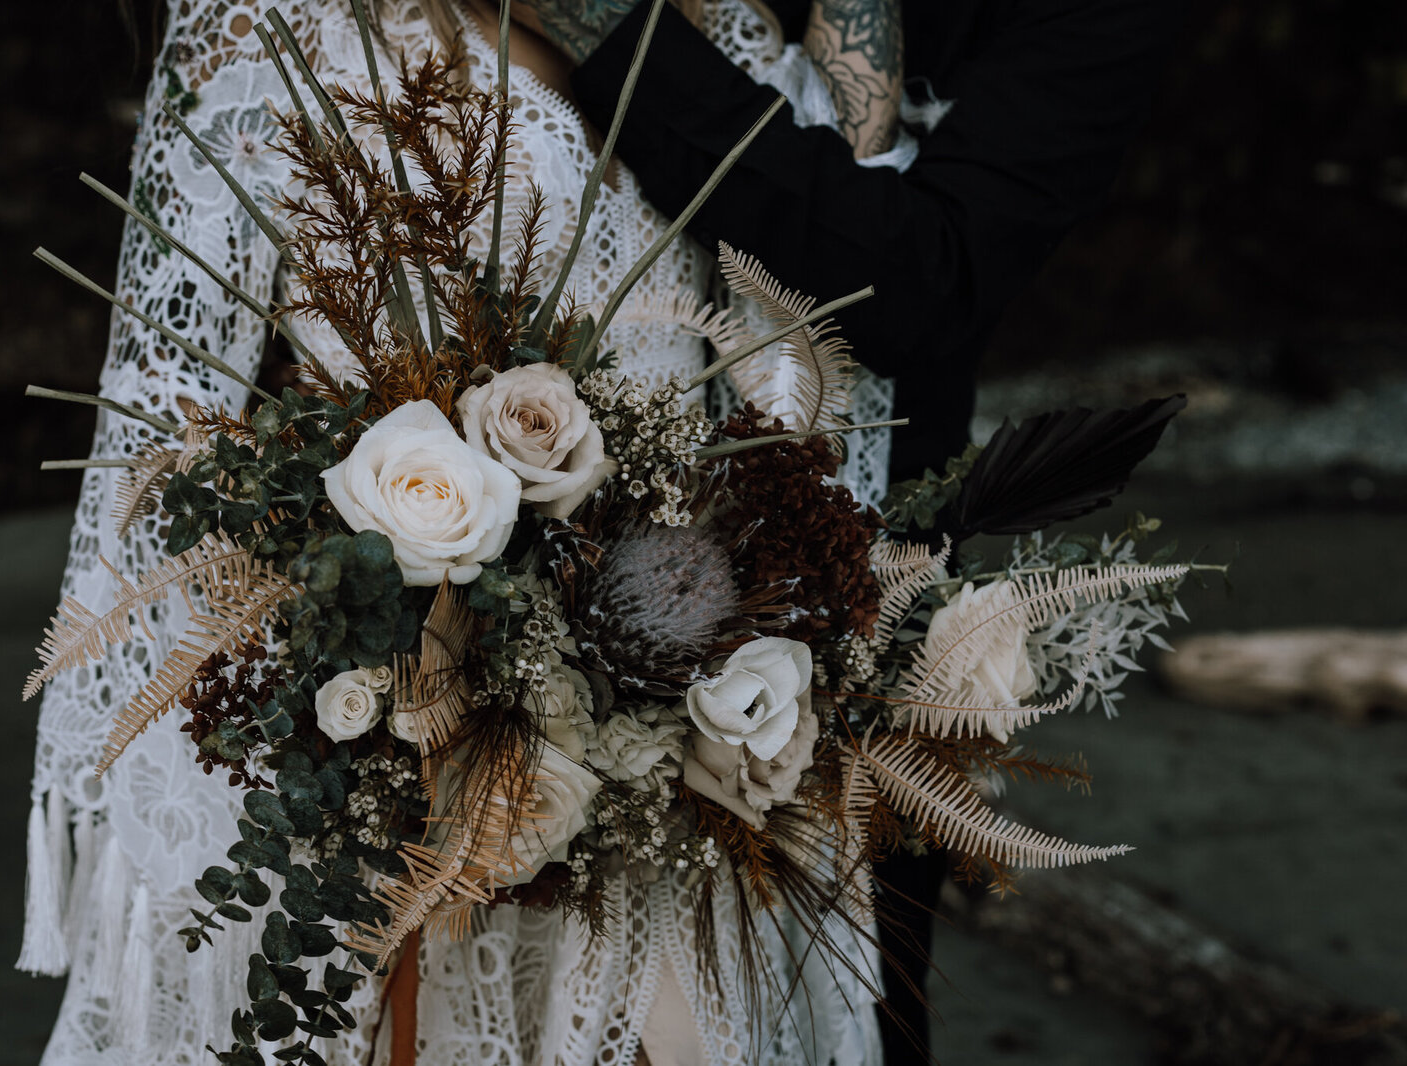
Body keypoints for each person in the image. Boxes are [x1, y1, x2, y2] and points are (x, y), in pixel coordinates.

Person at [20, 0, 906, 1063]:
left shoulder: (718, 36)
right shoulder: (267, 27)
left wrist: (757, 630)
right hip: (372, 739)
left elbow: (803, 377)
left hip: (667, 732)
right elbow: (163, 422)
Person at [498, 0, 1184, 1060]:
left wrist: (613, 35)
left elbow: (912, 281)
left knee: (852, 980)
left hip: (857, 570)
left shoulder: (1091, 23)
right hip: (556, 512)